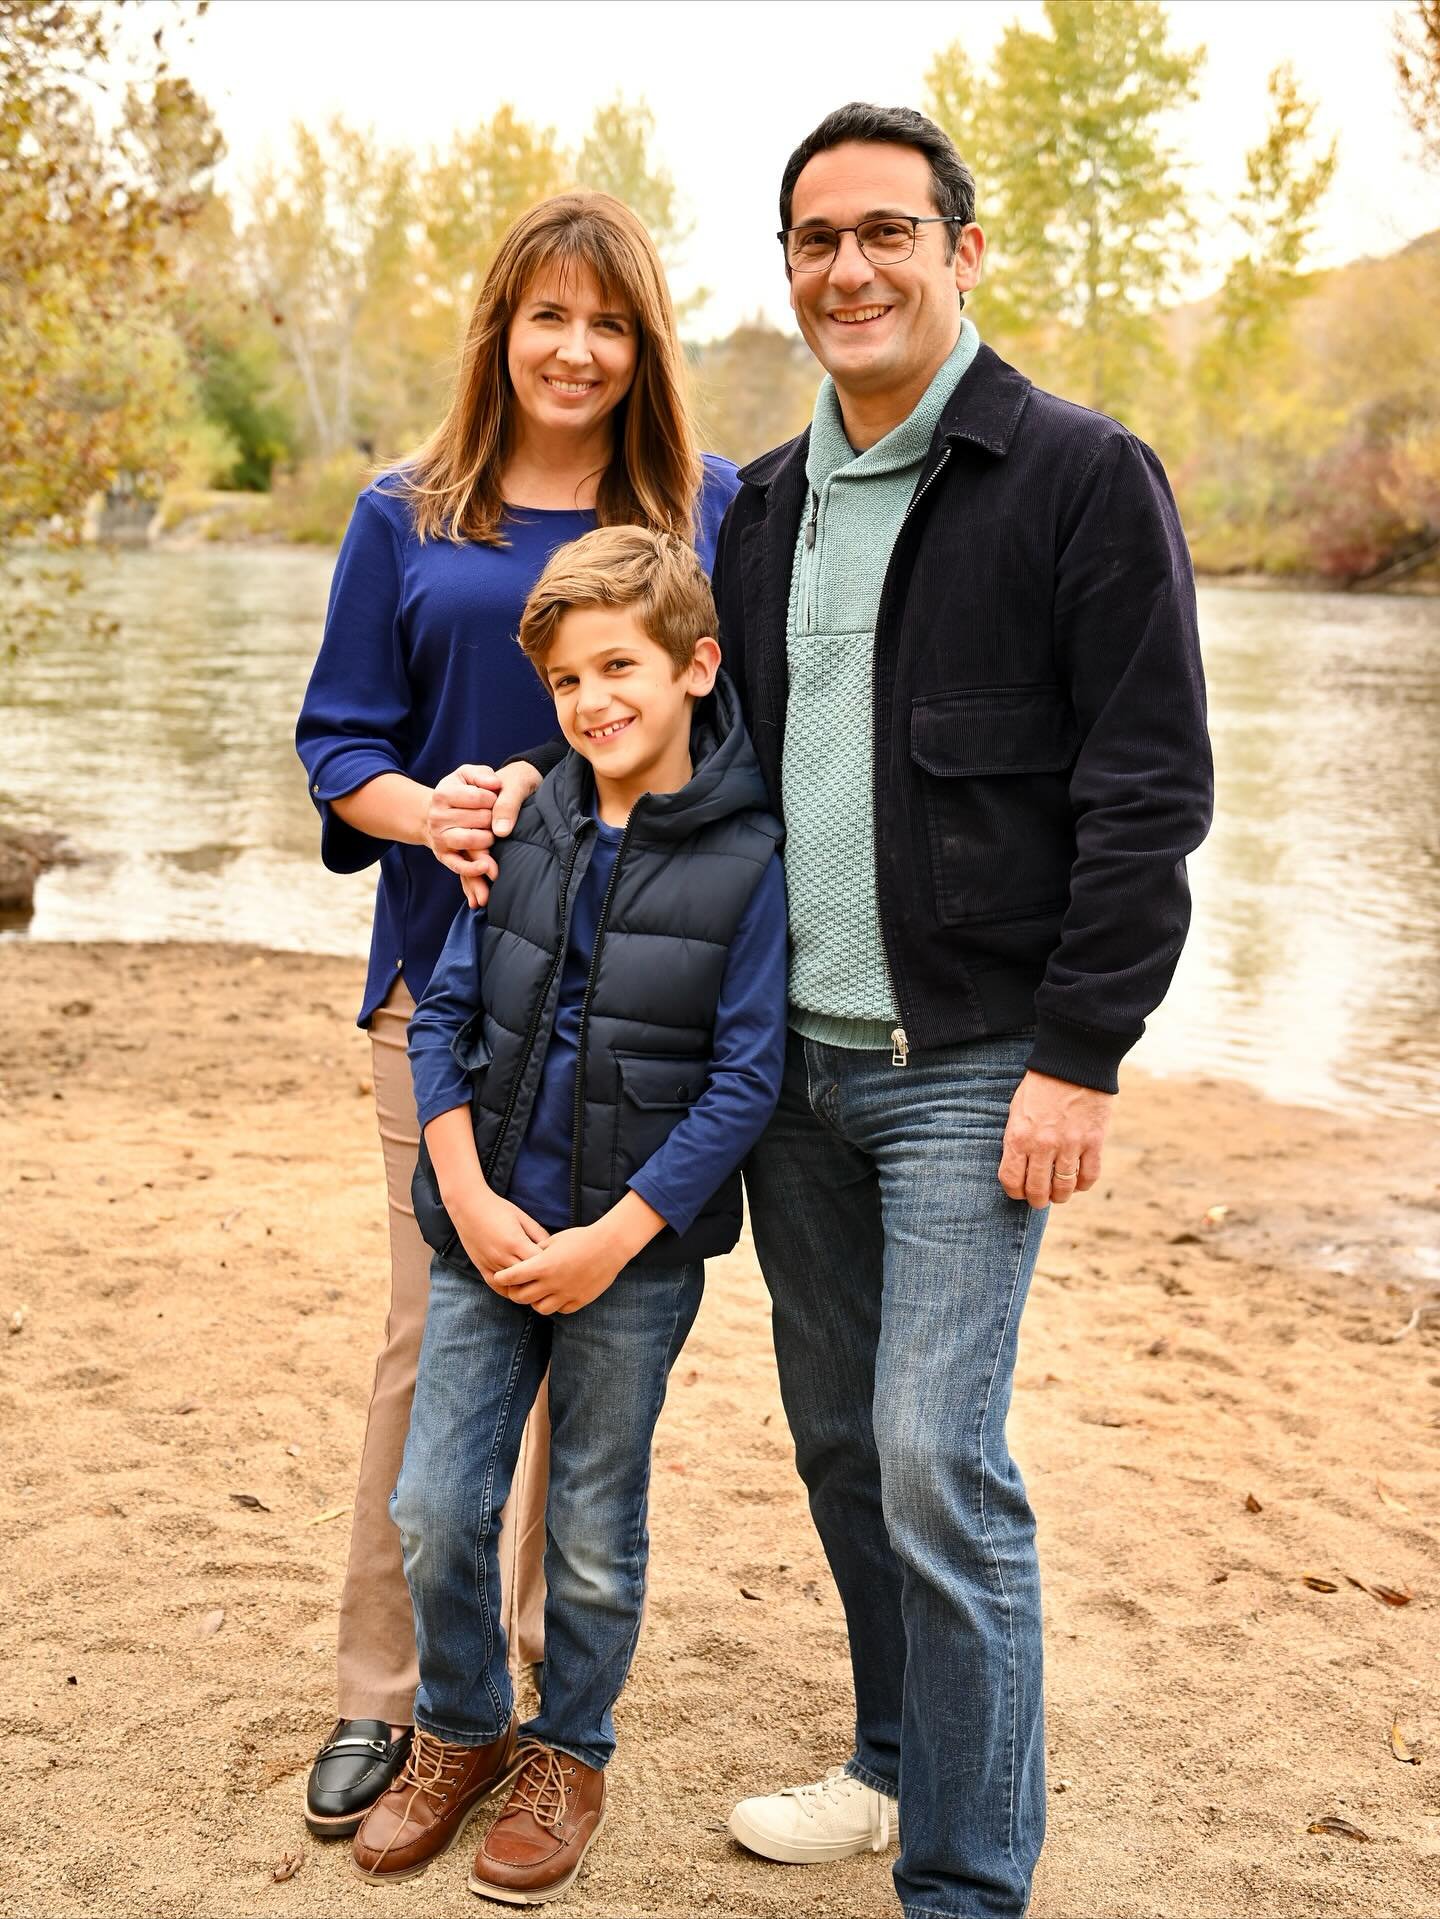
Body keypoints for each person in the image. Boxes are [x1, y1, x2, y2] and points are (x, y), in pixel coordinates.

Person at [476, 99, 1214, 1919]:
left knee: (934, 1459)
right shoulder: (763, 506)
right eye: (818, 239)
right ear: (790, 273)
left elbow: (1149, 790)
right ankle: (892, 1763)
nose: (851, 267)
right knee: (831, 1439)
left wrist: (1081, 1058)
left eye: (890, 232)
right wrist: (528, 808)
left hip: (974, 1069)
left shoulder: (1077, 477)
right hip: (788, 1073)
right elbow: (694, 763)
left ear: (964, 253)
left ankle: (966, 1881)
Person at [293, 192, 740, 1838]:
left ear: (643, 347)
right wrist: (435, 813)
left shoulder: (709, 507)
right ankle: (388, 1694)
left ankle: (550, 1706)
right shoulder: (406, 514)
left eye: (607, 323)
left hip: (645, 1001)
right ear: (500, 330)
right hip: (450, 987)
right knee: (439, 1335)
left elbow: (736, 734)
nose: (574, 349)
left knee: (591, 1348)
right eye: (546, 317)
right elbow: (339, 742)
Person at [348, 526, 788, 1903]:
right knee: (436, 1504)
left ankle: (571, 1749)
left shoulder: (754, 853)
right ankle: (466, 1728)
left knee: (593, 1519)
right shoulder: (530, 821)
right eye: (565, 681)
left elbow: (747, 1076)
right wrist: (466, 1194)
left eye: (621, 666)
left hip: (631, 1259)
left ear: (695, 666)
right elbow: (446, 1015)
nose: (593, 700)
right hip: (486, 1233)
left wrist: (620, 1235)